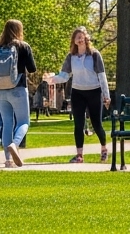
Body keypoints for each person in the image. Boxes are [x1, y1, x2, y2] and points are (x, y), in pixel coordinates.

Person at [51, 27, 110, 163]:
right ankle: (79, 155)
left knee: (96, 124)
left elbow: (102, 76)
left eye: (81, 36)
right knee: (78, 124)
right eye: (76, 36)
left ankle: (104, 149)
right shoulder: (71, 57)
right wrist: (52, 79)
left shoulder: (94, 55)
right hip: (78, 93)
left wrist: (106, 96)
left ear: (86, 38)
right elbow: (64, 76)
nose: (79, 38)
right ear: (74, 40)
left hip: (94, 92)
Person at [0, 19, 38, 168]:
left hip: (0, 92)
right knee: (24, 122)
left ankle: (8, 160)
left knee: (7, 123)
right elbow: (32, 69)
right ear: (19, 31)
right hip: (18, 89)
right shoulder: (23, 46)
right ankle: (15, 144)